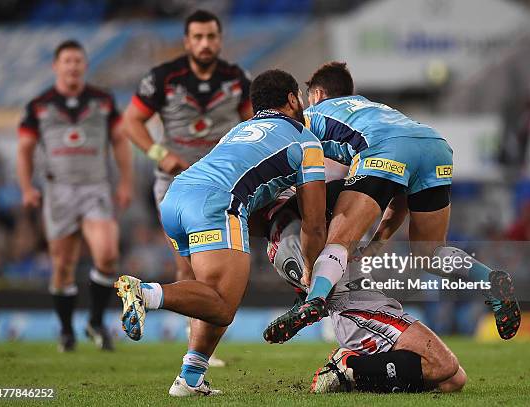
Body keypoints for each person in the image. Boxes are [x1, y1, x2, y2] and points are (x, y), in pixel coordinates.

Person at [264, 62, 520, 344]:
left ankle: (313, 302)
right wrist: (376, 243)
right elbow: (398, 195)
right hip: (435, 146)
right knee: (429, 253)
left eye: (307, 97)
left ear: (319, 94)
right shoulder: (378, 110)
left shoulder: (314, 114)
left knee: (339, 241)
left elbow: (278, 142)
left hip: (386, 149)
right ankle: (491, 280)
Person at [115, 69, 327, 396]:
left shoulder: (238, 130)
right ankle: (145, 293)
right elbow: (313, 223)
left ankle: (191, 377)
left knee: (209, 294)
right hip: (216, 204)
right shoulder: (305, 140)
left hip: (176, 197)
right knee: (222, 303)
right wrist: (311, 271)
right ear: (292, 99)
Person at [122, 9, 252, 367]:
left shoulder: (237, 78)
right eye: (198, 37)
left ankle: (200, 349)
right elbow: (131, 121)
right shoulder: (163, 77)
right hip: (175, 183)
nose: (205, 43)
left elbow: (255, 122)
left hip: (221, 187)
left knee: (214, 270)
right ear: (186, 41)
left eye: (211, 36)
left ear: (220, 39)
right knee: (187, 264)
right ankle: (195, 346)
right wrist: (160, 154)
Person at [263, 180, 466, 393]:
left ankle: (357, 378)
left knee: (453, 380)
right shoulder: (299, 221)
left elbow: (312, 282)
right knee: (444, 366)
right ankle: (346, 368)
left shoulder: (280, 238)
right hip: (359, 312)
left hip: (362, 307)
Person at [17, 39, 133, 352]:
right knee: (63, 264)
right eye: (67, 61)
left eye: (78, 61)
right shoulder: (39, 105)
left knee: (107, 254)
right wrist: (27, 187)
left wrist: (125, 183)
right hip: (59, 190)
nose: (73, 66)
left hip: (96, 186)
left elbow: (120, 141)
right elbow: (25, 148)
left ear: (85, 65)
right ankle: (66, 330)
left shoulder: (104, 101)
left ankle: (95, 321)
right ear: (56, 66)